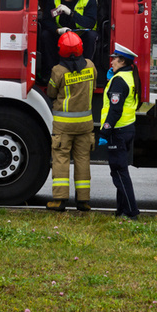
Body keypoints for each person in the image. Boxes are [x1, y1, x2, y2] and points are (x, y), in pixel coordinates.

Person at [45, 31, 97, 212]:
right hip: (85, 124)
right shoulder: (90, 66)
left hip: (63, 125)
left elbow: (51, 92)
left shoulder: (58, 71)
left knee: (61, 159)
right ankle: (83, 201)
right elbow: (94, 86)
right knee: (83, 160)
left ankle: (59, 200)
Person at [98, 43, 141, 220]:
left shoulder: (119, 80)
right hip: (127, 128)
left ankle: (131, 211)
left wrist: (105, 131)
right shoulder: (129, 76)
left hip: (118, 131)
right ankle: (121, 210)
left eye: (114, 59)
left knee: (119, 172)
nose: (112, 62)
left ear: (122, 61)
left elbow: (115, 110)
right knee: (120, 170)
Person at [40, 0, 98, 79]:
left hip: (81, 34)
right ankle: (52, 73)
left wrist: (71, 13)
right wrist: (57, 30)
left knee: (92, 36)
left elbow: (90, 23)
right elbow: (46, 20)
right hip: (61, 34)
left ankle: (85, 72)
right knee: (45, 35)